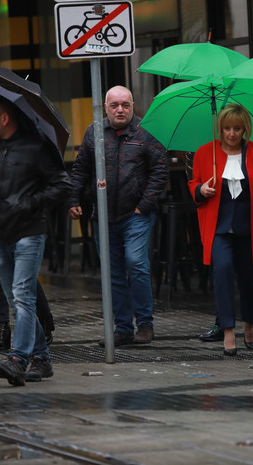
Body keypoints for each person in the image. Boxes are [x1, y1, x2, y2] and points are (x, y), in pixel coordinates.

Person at [0, 97, 70, 385]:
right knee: (15, 300)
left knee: (23, 296)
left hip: (28, 233)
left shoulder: (36, 148)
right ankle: (42, 358)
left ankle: (18, 357)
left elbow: (61, 185)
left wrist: (30, 201)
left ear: (4, 119)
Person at [67, 86, 169, 347]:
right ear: (105, 107)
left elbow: (160, 171)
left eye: (125, 104)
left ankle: (144, 323)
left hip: (135, 213)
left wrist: (143, 206)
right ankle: (123, 327)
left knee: (136, 263)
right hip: (103, 214)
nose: (120, 110)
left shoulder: (147, 131)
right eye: (114, 105)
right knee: (112, 272)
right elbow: (80, 169)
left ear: (133, 105)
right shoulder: (95, 132)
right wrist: (74, 199)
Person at [189, 103, 253, 356]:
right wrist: (200, 190)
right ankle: (227, 329)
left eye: (237, 128)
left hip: (250, 227)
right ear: (220, 128)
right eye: (227, 128)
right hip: (218, 228)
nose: (231, 133)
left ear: (245, 129)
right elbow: (193, 182)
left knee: (250, 279)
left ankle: (249, 324)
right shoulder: (205, 153)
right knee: (223, 270)